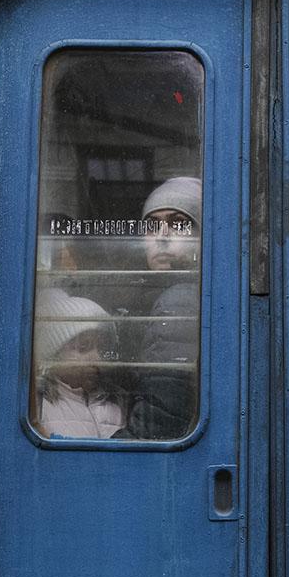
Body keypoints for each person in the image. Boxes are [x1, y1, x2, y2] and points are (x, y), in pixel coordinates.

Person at [124, 177, 202, 439]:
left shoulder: (180, 301)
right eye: (152, 226)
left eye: (179, 224)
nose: (162, 237)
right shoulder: (148, 299)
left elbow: (160, 418)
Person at [32, 288, 127, 439]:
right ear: (55, 355)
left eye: (100, 348)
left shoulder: (117, 402)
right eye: (84, 347)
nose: (96, 357)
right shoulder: (39, 407)